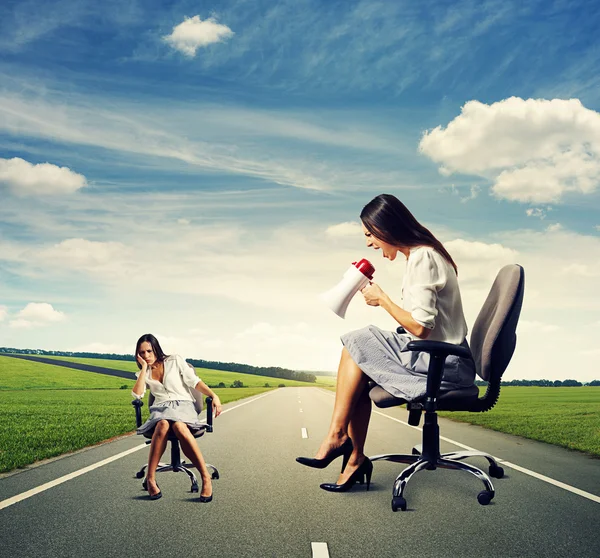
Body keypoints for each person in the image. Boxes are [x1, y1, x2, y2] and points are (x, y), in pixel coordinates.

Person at [296, 194, 476, 492]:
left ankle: (340, 440)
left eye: (369, 234)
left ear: (386, 228)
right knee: (358, 356)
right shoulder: (421, 257)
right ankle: (352, 455)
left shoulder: (424, 258)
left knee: (357, 341)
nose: (369, 243)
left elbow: (420, 327)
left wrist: (382, 300)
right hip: (439, 358)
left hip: (445, 364)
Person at [132, 333, 222, 502]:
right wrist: (144, 369)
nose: (146, 356)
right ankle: (150, 479)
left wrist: (213, 395)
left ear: (156, 349)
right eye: (142, 353)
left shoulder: (174, 360)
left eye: (149, 351)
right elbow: (137, 395)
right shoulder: (142, 374)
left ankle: (205, 477)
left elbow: (194, 382)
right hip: (161, 409)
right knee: (163, 424)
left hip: (183, 406)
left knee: (179, 426)